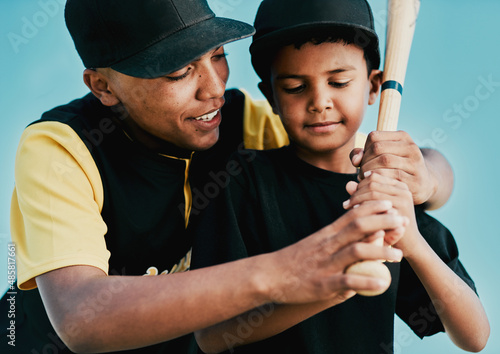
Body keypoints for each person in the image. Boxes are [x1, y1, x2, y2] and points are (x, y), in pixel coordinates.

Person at [2, 0, 456, 353]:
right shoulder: (60, 148)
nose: (214, 87)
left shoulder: (235, 120)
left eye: (217, 55)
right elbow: (82, 318)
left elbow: (346, 146)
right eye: (180, 71)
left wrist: (428, 178)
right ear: (102, 85)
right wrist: (288, 271)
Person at [189, 0, 490, 353]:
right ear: (269, 95)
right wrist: (335, 286)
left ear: (374, 86)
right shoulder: (240, 183)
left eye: (339, 81)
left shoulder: (385, 194)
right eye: (295, 87)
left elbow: (475, 336)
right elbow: (211, 336)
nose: (320, 101)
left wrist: (413, 245)